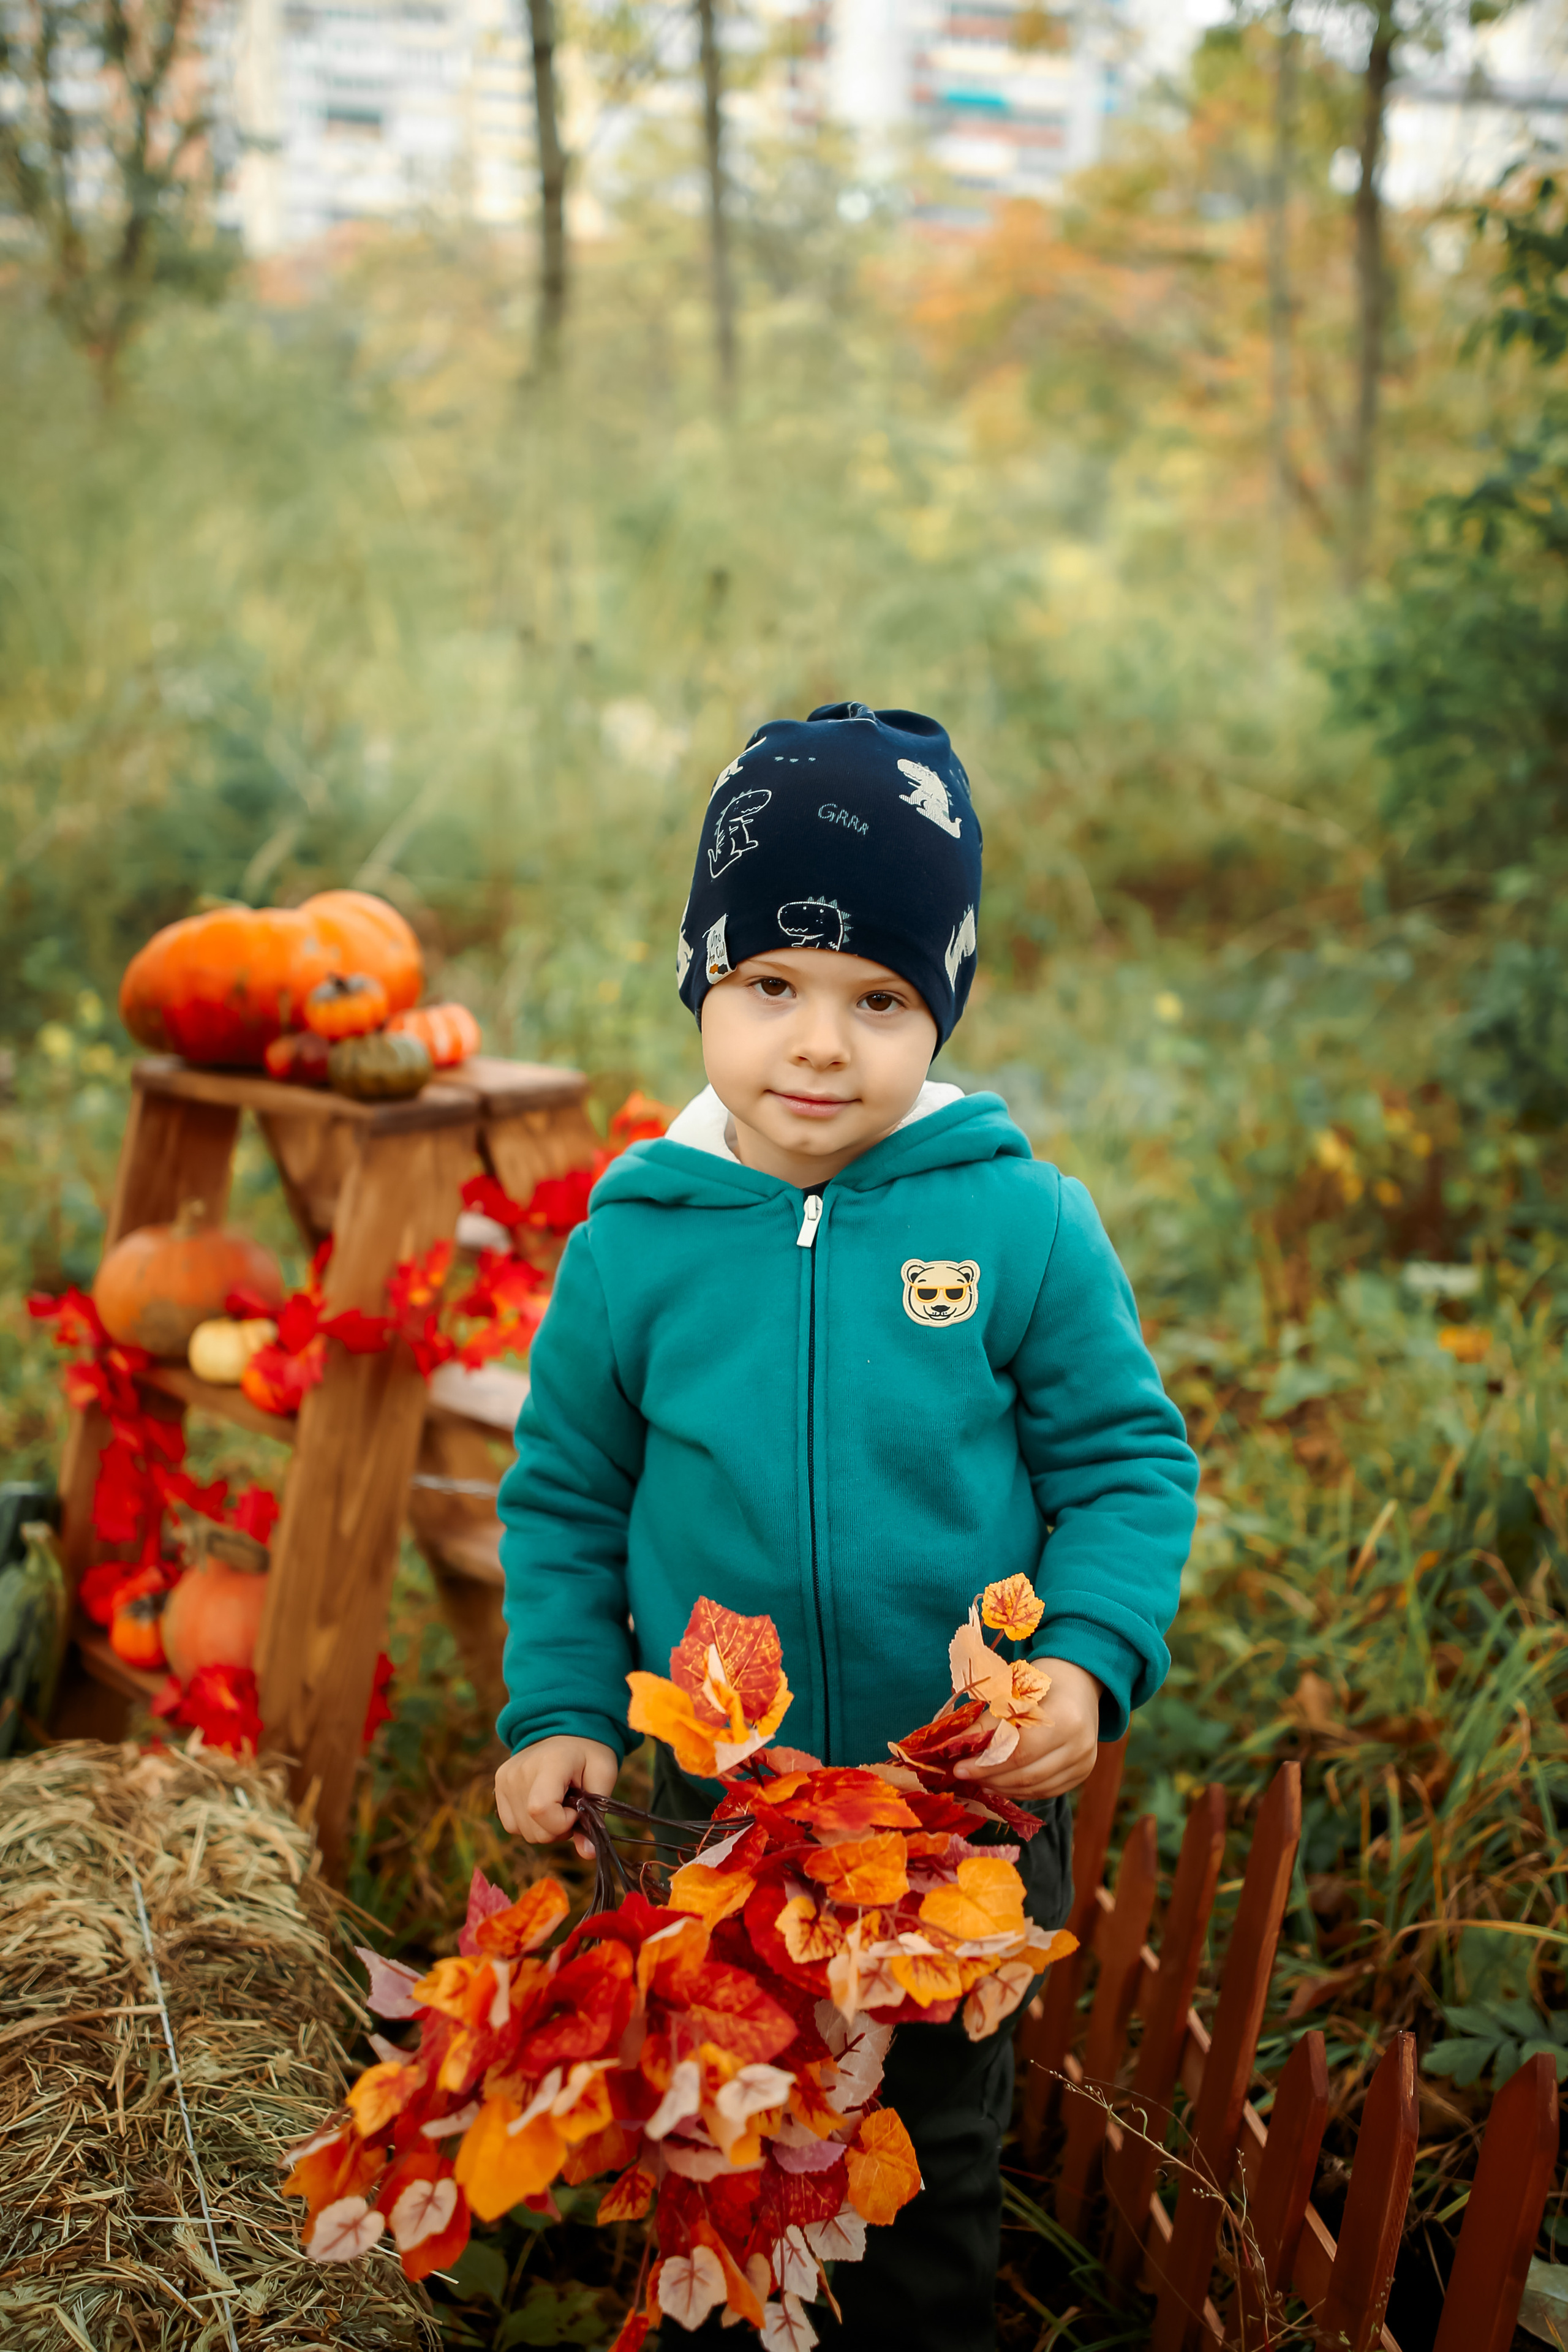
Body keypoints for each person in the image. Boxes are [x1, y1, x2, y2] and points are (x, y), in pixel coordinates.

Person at [493, 701, 1199, 2350]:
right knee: (721, 2133)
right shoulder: (636, 1244)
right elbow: (569, 1494)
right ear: (701, 982)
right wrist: (561, 1705)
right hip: (716, 1807)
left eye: (878, 999)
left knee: (925, 2156)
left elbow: (1124, 1462)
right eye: (770, 986)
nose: (818, 1046)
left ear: (939, 1008)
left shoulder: (1019, 1222)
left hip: (954, 1809)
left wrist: (1086, 1662)